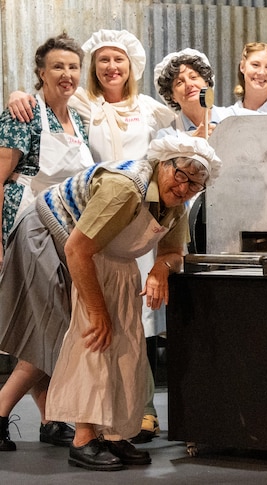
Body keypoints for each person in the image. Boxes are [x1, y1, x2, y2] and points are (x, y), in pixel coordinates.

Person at [6, 30, 178, 444]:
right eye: (101, 60)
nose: (110, 68)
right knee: (66, 322)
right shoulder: (70, 107)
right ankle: (61, 418)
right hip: (48, 225)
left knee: (111, 324)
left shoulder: (98, 116)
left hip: (109, 225)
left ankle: (87, 417)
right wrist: (16, 93)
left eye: (72, 67)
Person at [23, 134, 219, 471]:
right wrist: (97, 310)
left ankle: (114, 434)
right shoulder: (126, 187)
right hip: (80, 253)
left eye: (196, 184)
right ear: (163, 164)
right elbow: (77, 248)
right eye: (181, 175)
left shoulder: (177, 204)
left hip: (121, 264)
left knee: (128, 347)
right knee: (94, 341)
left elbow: (174, 253)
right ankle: (84, 438)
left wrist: (160, 268)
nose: (185, 188)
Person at [0, 33, 93, 452]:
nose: (67, 74)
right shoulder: (24, 113)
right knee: (53, 322)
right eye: (57, 66)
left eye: (73, 67)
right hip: (29, 225)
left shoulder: (81, 120)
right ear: (40, 72)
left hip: (66, 229)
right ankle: (1, 409)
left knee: (51, 321)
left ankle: (52, 417)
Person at [154, 48, 228, 138]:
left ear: (207, 82)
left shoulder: (235, 116)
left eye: (193, 77)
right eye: (179, 82)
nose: (189, 85)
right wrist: (192, 143)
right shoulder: (167, 137)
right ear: (172, 96)